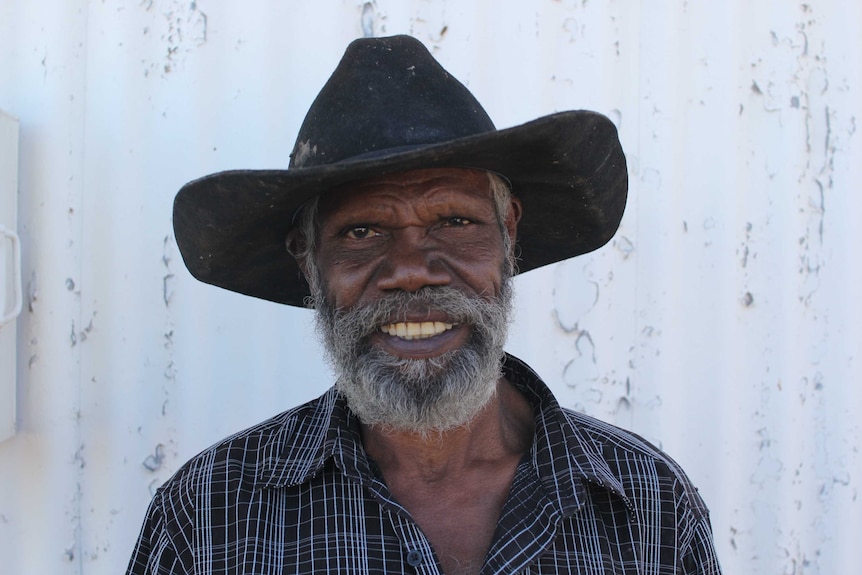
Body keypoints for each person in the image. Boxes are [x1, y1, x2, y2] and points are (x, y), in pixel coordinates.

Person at [127, 35, 722, 575]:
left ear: (508, 235)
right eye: (362, 233)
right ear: (309, 262)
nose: (411, 269)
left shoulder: (648, 509)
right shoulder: (210, 522)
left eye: (454, 221)